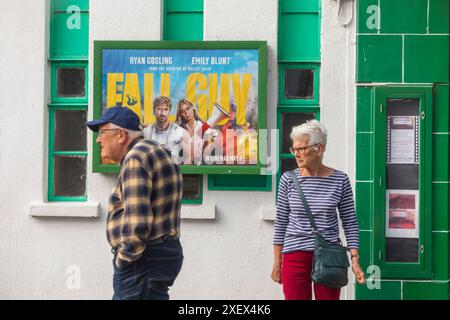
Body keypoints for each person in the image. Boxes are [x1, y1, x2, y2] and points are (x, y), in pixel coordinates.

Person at [86, 106, 183, 300]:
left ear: (121, 135)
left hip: (142, 261)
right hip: (159, 254)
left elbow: (138, 221)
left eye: (102, 133)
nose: (98, 140)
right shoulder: (157, 150)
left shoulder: (136, 158)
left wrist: (123, 259)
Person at [271, 120, 365, 300]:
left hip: (329, 255)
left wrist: (355, 259)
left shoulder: (340, 180)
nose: (296, 154)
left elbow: (350, 221)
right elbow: (281, 223)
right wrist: (277, 262)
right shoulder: (288, 180)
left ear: (319, 149)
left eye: (301, 149)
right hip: (295, 254)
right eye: (294, 150)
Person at [143, 96, 184, 162]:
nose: (162, 113)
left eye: (165, 109)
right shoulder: (146, 132)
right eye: (159, 109)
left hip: (172, 170)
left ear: (169, 111)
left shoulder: (178, 131)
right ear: (154, 111)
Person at [176, 98, 217, 164]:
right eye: (182, 111)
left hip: (201, 167)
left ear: (193, 109)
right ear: (180, 114)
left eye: (188, 109)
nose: (186, 113)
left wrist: (210, 142)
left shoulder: (203, 127)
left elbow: (214, 142)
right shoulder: (179, 130)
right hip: (184, 167)